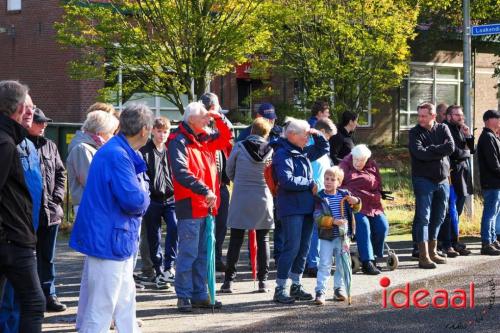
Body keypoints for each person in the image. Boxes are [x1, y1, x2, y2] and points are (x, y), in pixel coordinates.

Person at [69, 103, 153, 332]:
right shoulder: (118, 155)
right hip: (110, 238)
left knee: (124, 299)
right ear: (144, 129)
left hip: (114, 237)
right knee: (102, 306)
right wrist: (146, 195)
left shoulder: (118, 151)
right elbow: (135, 200)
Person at [168, 101, 232, 312]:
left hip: (207, 204)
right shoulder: (179, 141)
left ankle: (199, 293)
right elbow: (181, 172)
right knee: (188, 252)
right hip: (191, 204)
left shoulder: (205, 140)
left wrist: (219, 117)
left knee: (204, 253)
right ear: (191, 119)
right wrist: (205, 190)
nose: (208, 119)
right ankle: (184, 295)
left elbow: (226, 137)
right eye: (204, 116)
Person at [0, 81, 45, 333]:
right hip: (13, 242)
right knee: (34, 302)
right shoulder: (5, 143)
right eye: (27, 106)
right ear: (17, 108)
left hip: (14, 239)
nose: (31, 112)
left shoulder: (10, 140)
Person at [272, 117, 329, 304]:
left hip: (306, 206)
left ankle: (296, 284)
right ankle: (280, 288)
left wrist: (316, 133)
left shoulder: (301, 151)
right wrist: (310, 183)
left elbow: (323, 149)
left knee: (303, 248)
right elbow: (286, 180)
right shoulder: (282, 154)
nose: (307, 138)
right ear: (291, 135)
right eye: (305, 135)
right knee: (292, 247)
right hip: (291, 207)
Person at [219, 118, 274, 294]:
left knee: (236, 239)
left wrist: (239, 181)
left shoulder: (239, 147)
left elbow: (228, 169)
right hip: (263, 197)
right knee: (263, 239)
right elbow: (272, 174)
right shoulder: (271, 150)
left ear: (251, 131)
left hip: (241, 196)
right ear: (266, 134)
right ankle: (263, 282)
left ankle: (228, 282)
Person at [27, 108, 67, 311]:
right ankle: (31, 297)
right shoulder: (19, 145)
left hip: (50, 213)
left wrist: (57, 198)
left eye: (45, 122)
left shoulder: (50, 146)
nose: (43, 126)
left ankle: (49, 295)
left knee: (47, 257)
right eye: (39, 122)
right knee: (27, 258)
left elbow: (61, 173)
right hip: (27, 214)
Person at [409, 102, 454, 269]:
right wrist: (439, 150)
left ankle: (433, 251)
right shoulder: (414, 132)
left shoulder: (443, 129)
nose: (420, 119)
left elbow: (450, 147)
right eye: (419, 115)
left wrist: (431, 150)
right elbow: (419, 153)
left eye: (424, 116)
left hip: (442, 180)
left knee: (439, 216)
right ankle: (423, 255)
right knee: (423, 217)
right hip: (423, 180)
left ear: (433, 116)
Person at [313, 166, 360, 305]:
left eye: (332, 180)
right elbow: (317, 217)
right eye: (326, 179)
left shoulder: (344, 195)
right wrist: (333, 221)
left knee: (341, 265)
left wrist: (356, 201)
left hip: (343, 237)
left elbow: (356, 209)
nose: (328, 182)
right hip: (327, 237)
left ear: (339, 182)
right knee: (324, 264)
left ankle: (338, 289)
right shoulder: (320, 198)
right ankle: (320, 291)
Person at [339, 144, 389, 275]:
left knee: (382, 226)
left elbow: (378, 185)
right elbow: (338, 185)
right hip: (354, 204)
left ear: (367, 159)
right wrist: (350, 197)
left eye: (362, 161)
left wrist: (378, 195)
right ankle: (367, 262)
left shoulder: (372, 166)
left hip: (373, 204)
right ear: (352, 156)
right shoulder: (344, 165)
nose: (358, 163)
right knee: (363, 225)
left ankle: (375, 256)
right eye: (356, 160)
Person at [140, 117, 177, 289]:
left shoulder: (171, 150)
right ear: (153, 131)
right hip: (153, 200)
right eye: (159, 131)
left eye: (165, 131)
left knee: (174, 226)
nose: (162, 135)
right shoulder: (145, 150)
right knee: (153, 236)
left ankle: (170, 266)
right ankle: (158, 269)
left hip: (170, 198)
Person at [201, 92, 233, 272]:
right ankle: (205, 259)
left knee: (221, 224)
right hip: (205, 188)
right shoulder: (199, 134)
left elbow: (229, 138)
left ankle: (217, 256)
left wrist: (219, 116)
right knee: (205, 226)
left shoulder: (220, 129)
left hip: (221, 185)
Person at [66, 110, 119, 215]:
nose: (113, 136)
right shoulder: (82, 148)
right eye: (111, 132)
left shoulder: (95, 147)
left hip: (96, 203)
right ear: (100, 132)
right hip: (89, 205)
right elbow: (90, 180)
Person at [438, 105, 474, 257]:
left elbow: (472, 150)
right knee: (450, 211)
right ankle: (448, 244)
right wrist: (466, 152)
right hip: (451, 175)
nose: (460, 117)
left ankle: (454, 241)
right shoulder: (445, 128)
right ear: (448, 116)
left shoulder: (461, 129)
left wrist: (468, 137)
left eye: (461, 114)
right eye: (457, 115)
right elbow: (454, 152)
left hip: (463, 176)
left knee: (457, 211)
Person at [305, 118, 337, 277]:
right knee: (314, 231)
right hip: (314, 194)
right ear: (322, 133)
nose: (329, 140)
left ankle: (314, 261)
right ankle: (313, 263)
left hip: (323, 194)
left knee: (318, 230)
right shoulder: (312, 147)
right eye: (329, 136)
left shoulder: (319, 149)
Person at [477, 110, 500, 255]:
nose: (499, 121)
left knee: (494, 212)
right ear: (489, 120)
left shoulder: (492, 137)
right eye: (497, 118)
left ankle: (491, 239)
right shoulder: (487, 137)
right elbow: (494, 163)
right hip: (491, 182)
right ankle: (486, 242)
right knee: (490, 212)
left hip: (495, 182)